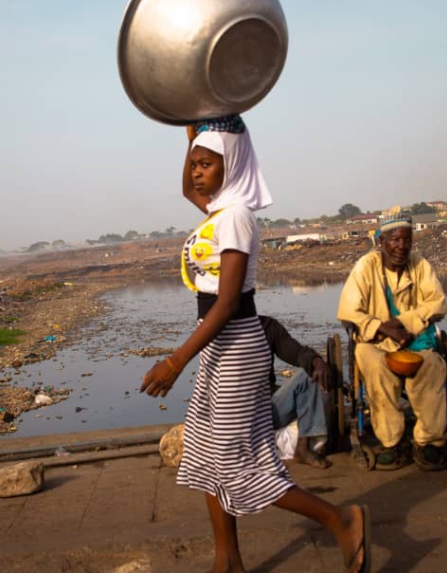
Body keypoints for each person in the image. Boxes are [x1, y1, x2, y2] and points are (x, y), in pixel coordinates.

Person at [141, 116, 369, 573]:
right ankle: (228, 561)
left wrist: (174, 361)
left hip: (236, 345)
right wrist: (190, 141)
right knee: (205, 454)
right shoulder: (218, 210)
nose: (197, 172)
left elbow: (226, 304)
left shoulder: (238, 217)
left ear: (234, 163)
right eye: (195, 165)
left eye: (207, 164)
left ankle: (340, 519)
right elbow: (190, 191)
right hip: (216, 347)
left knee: (238, 463)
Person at [337, 215, 447, 471]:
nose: (401, 246)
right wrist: (382, 327)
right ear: (381, 241)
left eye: (406, 240)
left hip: (414, 338)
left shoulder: (419, 265)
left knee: (432, 366)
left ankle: (429, 441)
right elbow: (348, 310)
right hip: (373, 340)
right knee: (377, 370)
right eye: (395, 240)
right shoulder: (366, 266)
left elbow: (438, 303)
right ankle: (392, 442)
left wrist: (405, 323)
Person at [259, 315, 332, 469]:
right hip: (243, 415)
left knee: (308, 374)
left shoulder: (266, 326)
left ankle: (303, 447)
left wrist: (317, 362)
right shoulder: (221, 333)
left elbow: (296, 352)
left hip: (270, 407)